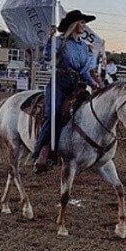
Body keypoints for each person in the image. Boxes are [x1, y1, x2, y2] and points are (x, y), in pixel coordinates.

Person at [31, 10, 102, 174]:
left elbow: (85, 71)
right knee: (53, 115)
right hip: (58, 82)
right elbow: (48, 57)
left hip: (76, 85)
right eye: (82, 22)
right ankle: (40, 153)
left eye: (84, 23)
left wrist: (94, 84)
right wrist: (50, 39)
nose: (84, 26)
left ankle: (88, 149)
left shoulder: (85, 48)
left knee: (89, 113)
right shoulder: (59, 41)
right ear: (74, 24)